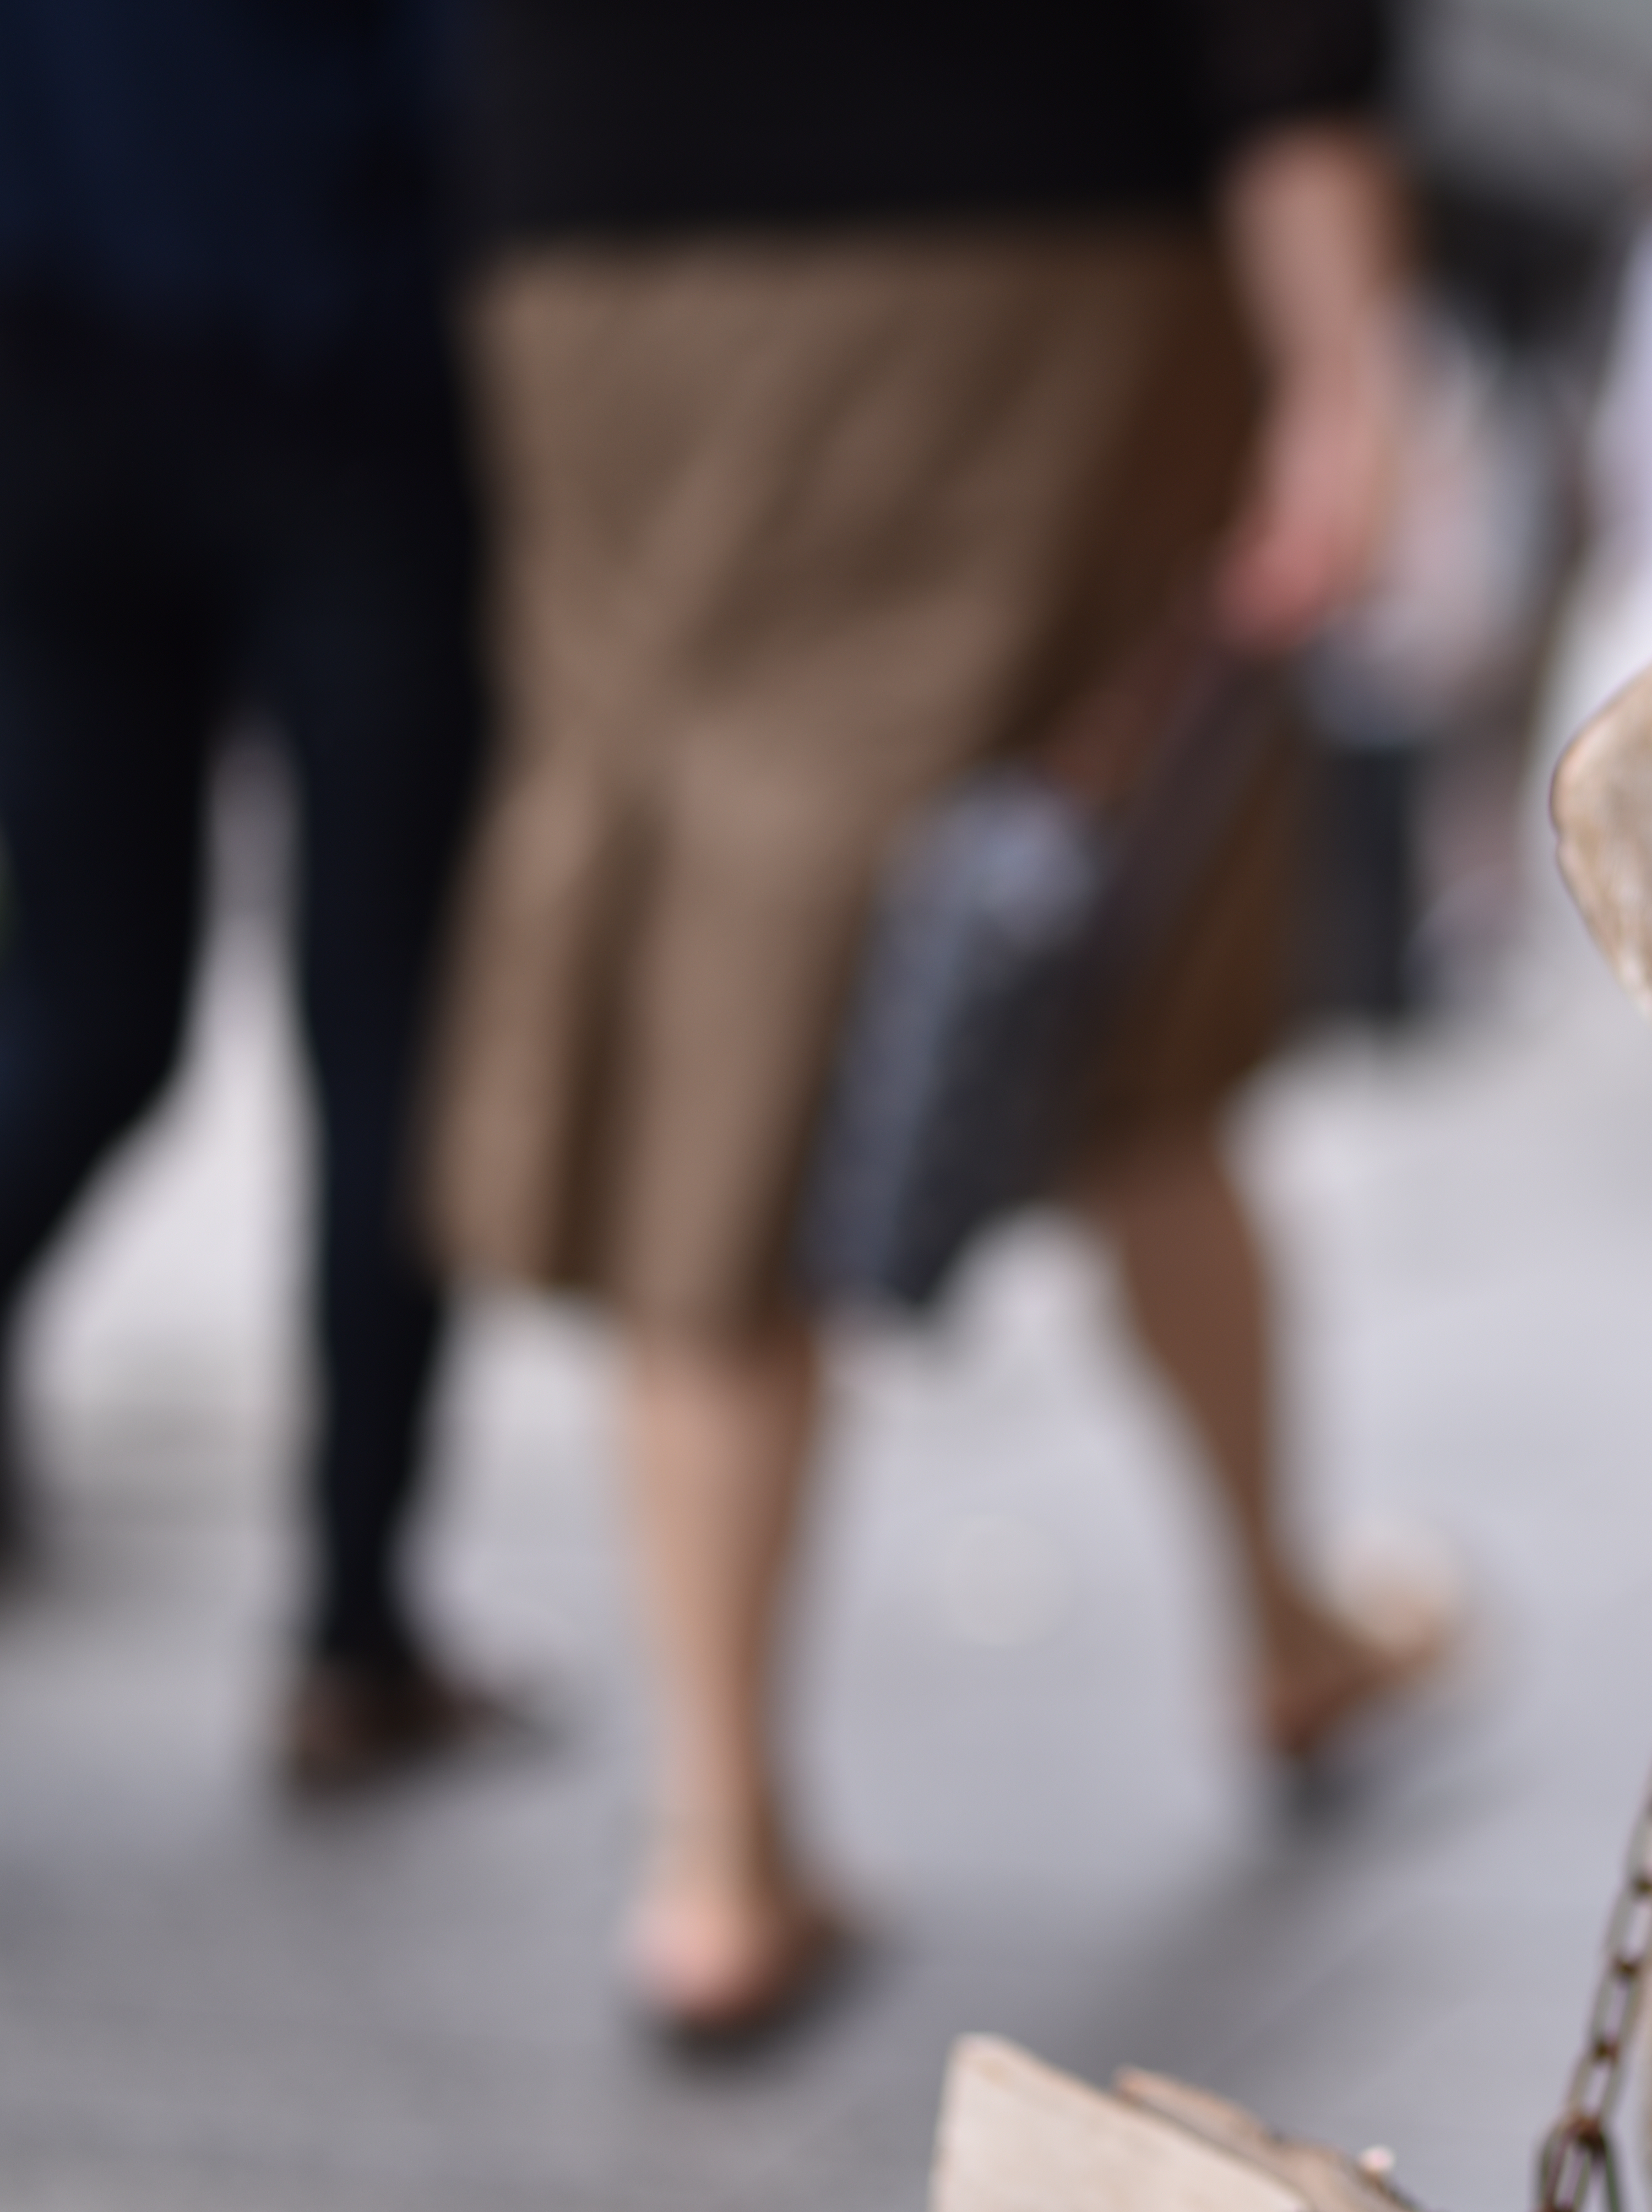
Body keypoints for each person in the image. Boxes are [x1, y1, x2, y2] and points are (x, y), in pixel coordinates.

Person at [435, 0, 1441, 2038]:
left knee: (721, 957)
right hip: (1033, 224)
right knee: (1098, 950)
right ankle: (1272, 1624)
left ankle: (724, 1843)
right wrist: (1348, 354)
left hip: (592, 239)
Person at [0, 0, 495, 1786]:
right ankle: (357, 1629)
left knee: (84, 1015)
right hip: (343, 386)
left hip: (57, 371)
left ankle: (368, 1623)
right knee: (385, 1033)